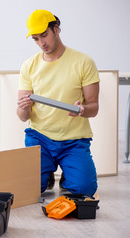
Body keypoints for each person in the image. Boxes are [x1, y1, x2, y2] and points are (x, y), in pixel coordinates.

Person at [17, 9, 99, 196]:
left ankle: (67, 174)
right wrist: (23, 108)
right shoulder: (29, 65)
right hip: (40, 138)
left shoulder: (84, 62)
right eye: (36, 39)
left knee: (84, 190)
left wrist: (83, 109)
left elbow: (94, 108)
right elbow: (23, 117)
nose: (41, 43)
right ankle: (46, 173)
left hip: (74, 140)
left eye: (44, 35)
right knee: (28, 190)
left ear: (56, 29)